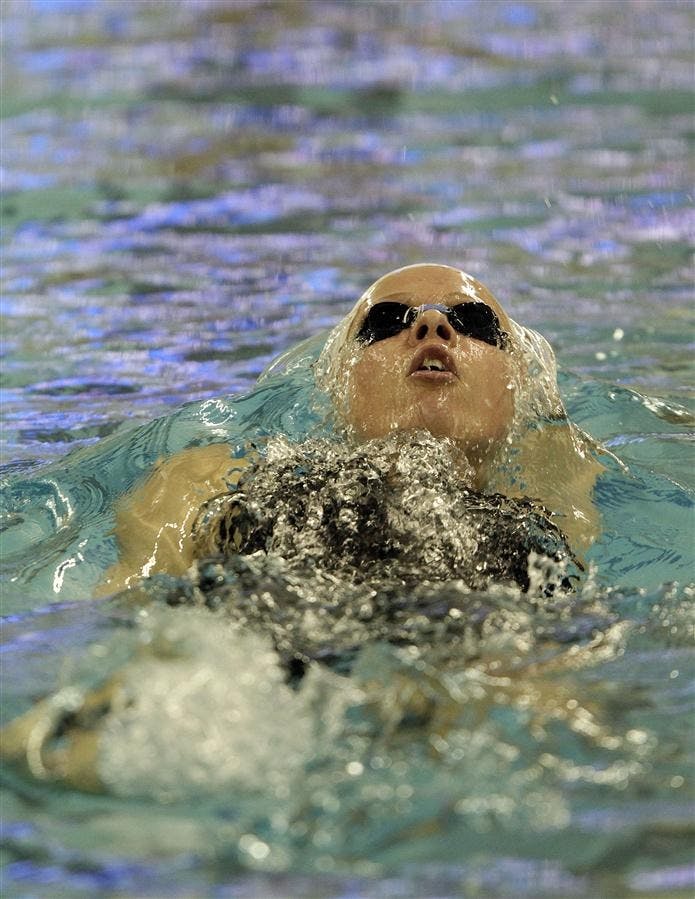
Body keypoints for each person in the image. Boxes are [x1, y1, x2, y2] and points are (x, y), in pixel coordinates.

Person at [98, 263, 602, 595]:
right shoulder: (215, 475)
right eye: (386, 322)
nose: (432, 327)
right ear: (339, 383)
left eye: (473, 323)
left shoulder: (553, 482)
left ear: (517, 379)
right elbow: (140, 607)